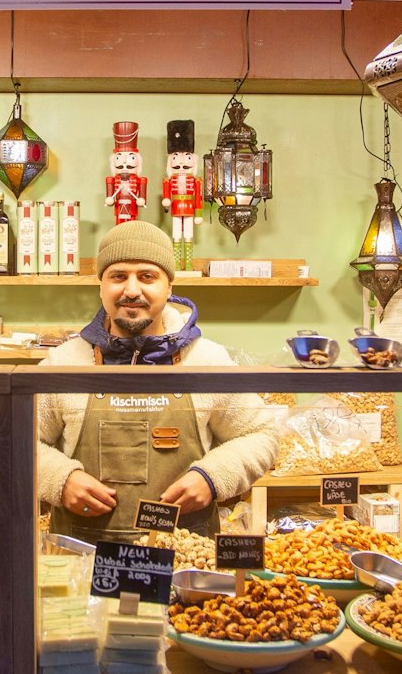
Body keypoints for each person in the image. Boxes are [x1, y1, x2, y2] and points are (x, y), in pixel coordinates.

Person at [35, 220, 279, 541]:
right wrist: (59, 479)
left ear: (169, 287)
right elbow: (10, 441)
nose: (132, 290)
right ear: (101, 287)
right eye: (118, 276)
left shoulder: (206, 360)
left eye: (147, 277)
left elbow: (262, 434)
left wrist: (213, 477)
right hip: (82, 564)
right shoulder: (64, 363)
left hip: (184, 560)